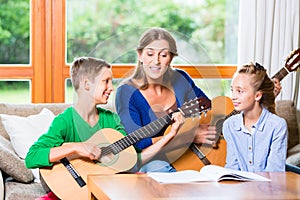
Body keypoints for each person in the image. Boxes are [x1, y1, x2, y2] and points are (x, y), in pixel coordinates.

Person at [24, 57, 130, 199]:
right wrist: (75, 147)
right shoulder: (65, 121)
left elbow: (130, 149)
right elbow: (31, 157)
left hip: (106, 185)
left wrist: (166, 137)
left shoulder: (111, 119)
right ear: (86, 84)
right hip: (73, 186)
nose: (111, 88)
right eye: (106, 81)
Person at [115, 27, 216, 172]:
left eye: (163, 55)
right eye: (150, 54)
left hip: (188, 154)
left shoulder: (181, 79)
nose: (156, 61)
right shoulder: (125, 92)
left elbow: (206, 105)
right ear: (140, 55)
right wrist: (187, 137)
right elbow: (139, 143)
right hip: (152, 159)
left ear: (171, 58)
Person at [222, 62, 288, 172]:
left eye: (239, 91)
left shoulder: (278, 125)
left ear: (257, 95)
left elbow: (275, 172)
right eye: (232, 90)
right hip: (240, 188)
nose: (233, 97)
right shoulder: (229, 125)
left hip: (270, 187)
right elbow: (232, 167)